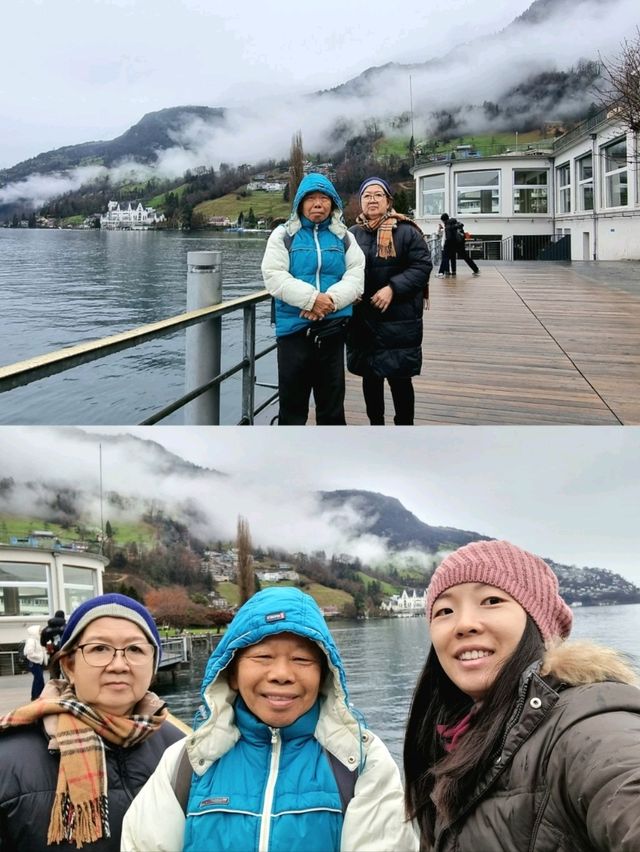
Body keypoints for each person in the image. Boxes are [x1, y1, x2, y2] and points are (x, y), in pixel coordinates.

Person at [121, 586, 417, 852]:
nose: (281, 675)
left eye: (302, 660)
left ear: (324, 675)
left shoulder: (360, 760)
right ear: (232, 673)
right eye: (262, 657)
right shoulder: (186, 763)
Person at [403, 539, 640, 852]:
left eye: (491, 600)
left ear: (536, 622)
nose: (463, 624)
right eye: (445, 610)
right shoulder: (449, 740)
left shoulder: (586, 727)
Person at [0, 593, 186, 851]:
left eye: (135, 649)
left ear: (153, 665)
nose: (119, 665)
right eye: (99, 649)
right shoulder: (8, 762)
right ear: (69, 665)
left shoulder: (182, 751)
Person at [261, 173, 365, 425]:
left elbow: (356, 274)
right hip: (293, 332)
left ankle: (331, 460)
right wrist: (310, 299)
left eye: (324, 198)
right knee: (292, 407)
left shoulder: (344, 238)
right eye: (311, 198)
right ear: (299, 203)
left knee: (331, 407)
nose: (318, 204)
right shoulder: (283, 235)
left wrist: (328, 301)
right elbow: (274, 275)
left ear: (333, 204)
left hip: (332, 330)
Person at [346, 177, 432, 425]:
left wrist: (393, 288)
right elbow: (342, 270)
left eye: (378, 195)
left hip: (400, 320)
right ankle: (376, 427)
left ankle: (404, 429)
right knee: (370, 378)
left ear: (388, 200)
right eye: (367, 196)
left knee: (400, 380)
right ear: (361, 202)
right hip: (364, 320)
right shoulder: (351, 235)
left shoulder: (407, 231)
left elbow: (422, 266)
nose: (372, 200)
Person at [23, 623, 47, 700]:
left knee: (38, 679)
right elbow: (29, 653)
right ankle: (37, 696)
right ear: (35, 631)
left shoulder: (37, 640)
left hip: (38, 662)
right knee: (39, 679)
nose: (40, 632)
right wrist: (39, 656)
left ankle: (36, 696)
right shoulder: (31, 640)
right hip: (33, 663)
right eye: (39, 631)